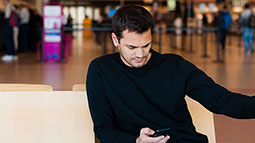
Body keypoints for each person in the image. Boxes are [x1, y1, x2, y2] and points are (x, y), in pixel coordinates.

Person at [86, 5, 255, 143]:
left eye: (146, 45)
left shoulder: (175, 66)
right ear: (116, 40)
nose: (140, 54)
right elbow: (104, 129)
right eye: (132, 47)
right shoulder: (100, 70)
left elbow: (221, 100)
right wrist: (137, 140)